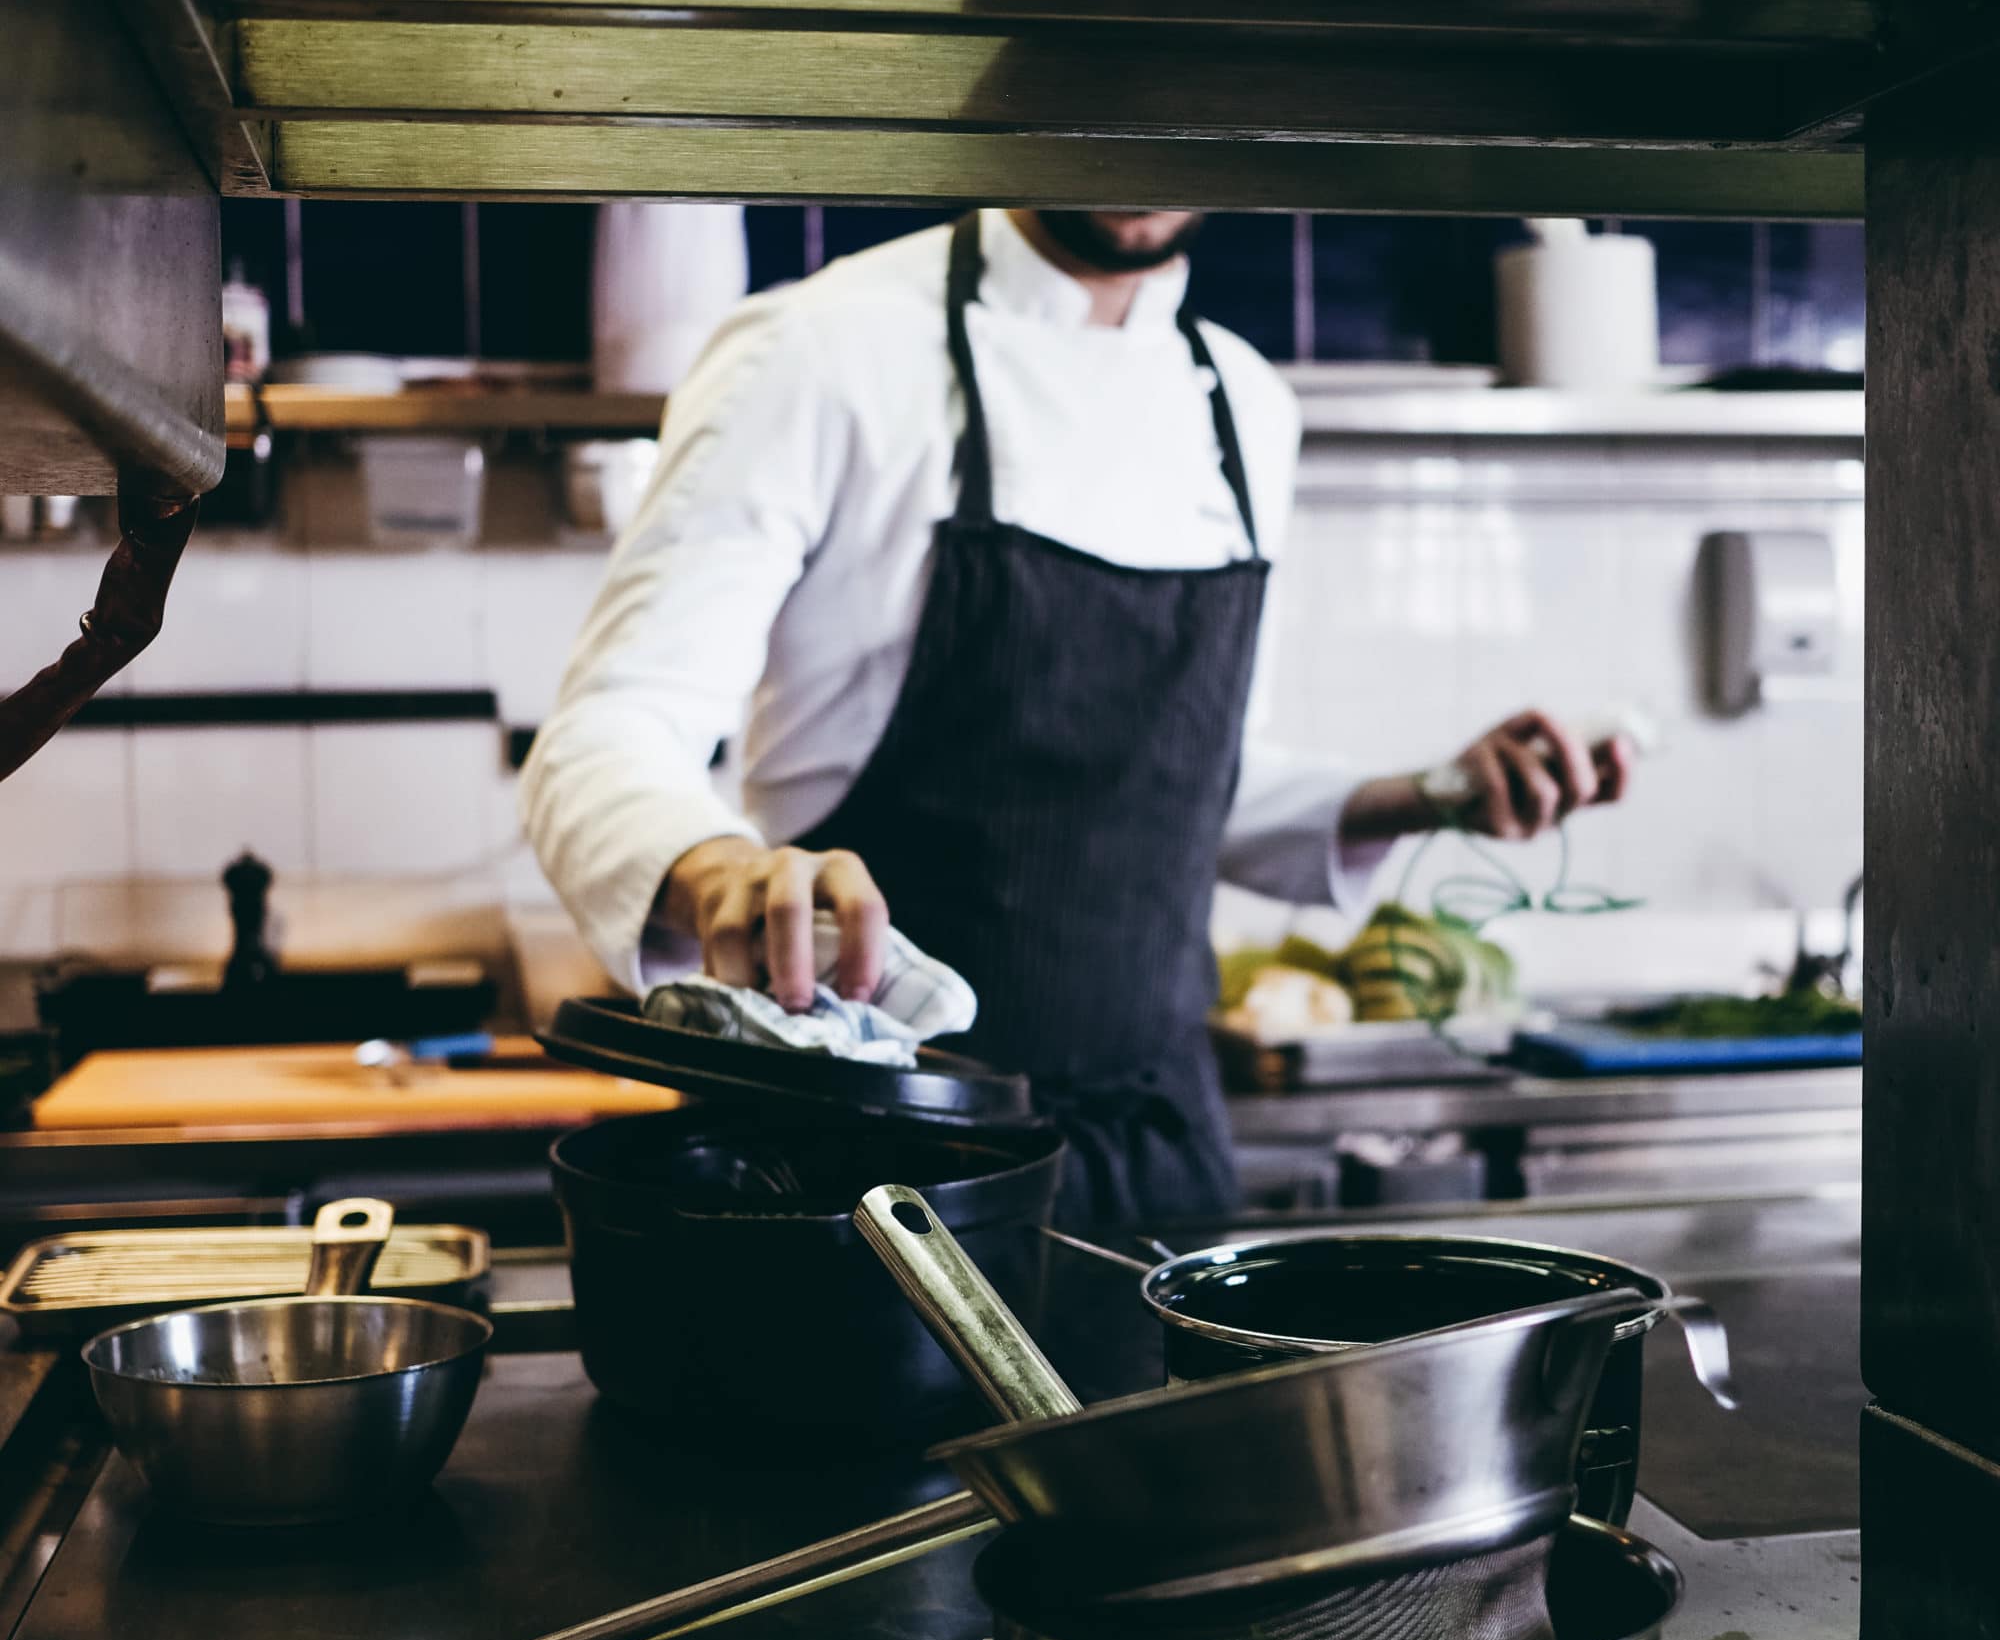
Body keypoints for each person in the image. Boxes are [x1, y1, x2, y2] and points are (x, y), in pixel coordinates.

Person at [523, 207, 1628, 1226]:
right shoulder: (820, 349)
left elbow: (1180, 781)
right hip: (879, 1170)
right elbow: (602, 734)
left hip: (1161, 1157)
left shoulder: (1246, 405)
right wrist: (720, 869)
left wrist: (1427, 796)